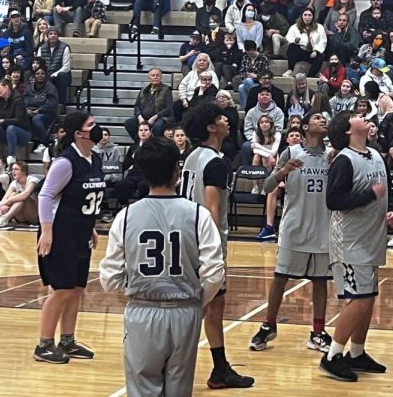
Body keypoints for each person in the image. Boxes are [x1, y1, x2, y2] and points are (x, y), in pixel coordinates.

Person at [99, 136, 226, 397]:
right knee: (179, 389)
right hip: (185, 311)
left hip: (142, 310)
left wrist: (132, 292)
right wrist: (198, 300)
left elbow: (109, 278)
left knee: (142, 388)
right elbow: (215, 272)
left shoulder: (125, 216)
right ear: (176, 171)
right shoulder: (199, 214)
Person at [180, 103, 255, 389]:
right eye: (221, 118)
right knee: (203, 306)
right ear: (211, 127)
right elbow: (211, 210)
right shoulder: (216, 163)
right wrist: (213, 253)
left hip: (186, 237)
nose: (226, 120)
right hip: (205, 243)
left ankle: (219, 367)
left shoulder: (191, 157)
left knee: (211, 305)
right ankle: (178, 361)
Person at [249, 113, 334, 353]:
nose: (323, 121)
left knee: (320, 282)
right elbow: (267, 187)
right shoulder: (291, 153)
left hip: (321, 228)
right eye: (318, 118)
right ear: (305, 126)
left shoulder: (333, 155)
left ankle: (317, 332)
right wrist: (283, 170)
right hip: (293, 227)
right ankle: (269, 325)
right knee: (280, 278)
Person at [320, 111, 389, 382]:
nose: (363, 115)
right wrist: (369, 195)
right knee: (358, 300)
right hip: (349, 242)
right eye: (356, 116)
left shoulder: (375, 155)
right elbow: (334, 200)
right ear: (348, 130)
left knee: (368, 298)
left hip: (371, 237)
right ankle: (332, 356)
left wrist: (389, 212)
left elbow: (384, 194)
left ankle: (357, 353)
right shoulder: (343, 160)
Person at [33, 111, 105, 364]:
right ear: (78, 133)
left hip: (81, 231)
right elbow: (45, 196)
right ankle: (44, 345)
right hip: (60, 233)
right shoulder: (65, 162)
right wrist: (47, 231)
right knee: (61, 290)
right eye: (91, 125)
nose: (97, 128)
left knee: (76, 289)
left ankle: (67, 340)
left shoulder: (94, 159)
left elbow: (85, 199)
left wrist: (92, 226)